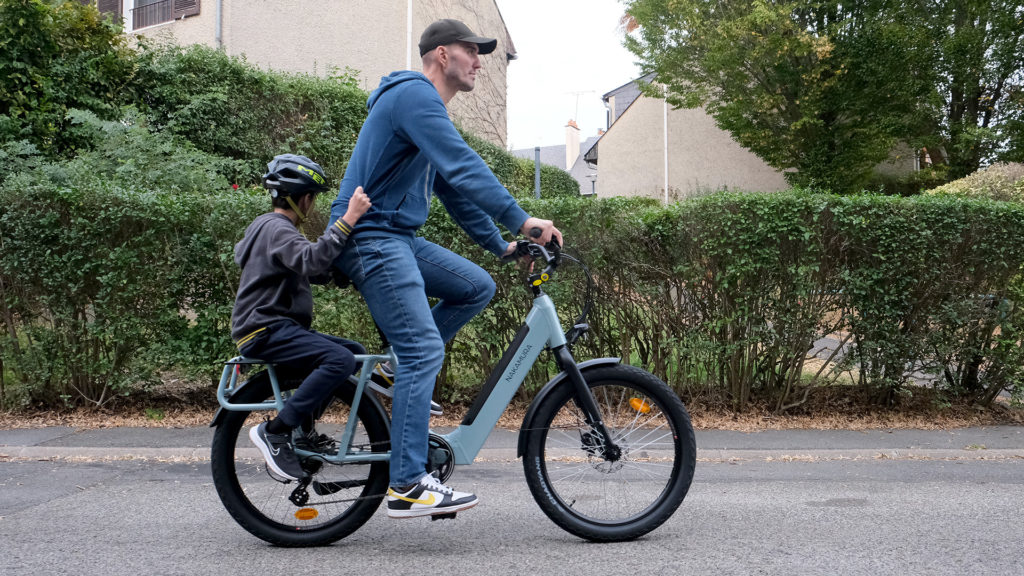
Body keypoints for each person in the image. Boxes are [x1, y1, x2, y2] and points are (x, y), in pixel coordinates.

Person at [328, 19, 563, 519]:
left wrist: (502, 245)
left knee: (475, 286)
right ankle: (409, 483)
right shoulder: (414, 97)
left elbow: (454, 190)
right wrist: (524, 219)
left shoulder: (424, 113)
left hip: (395, 237)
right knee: (423, 349)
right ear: (441, 55)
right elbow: (463, 166)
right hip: (370, 238)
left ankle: (394, 370)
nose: (479, 61)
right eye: (471, 51)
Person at [231, 153, 371, 483]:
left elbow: (298, 267)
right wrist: (349, 218)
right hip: (266, 328)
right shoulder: (277, 228)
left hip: (270, 326)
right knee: (338, 360)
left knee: (351, 352)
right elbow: (309, 260)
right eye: (313, 198)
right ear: (304, 199)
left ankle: (301, 432)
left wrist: (336, 274)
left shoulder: (267, 228)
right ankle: (276, 431)